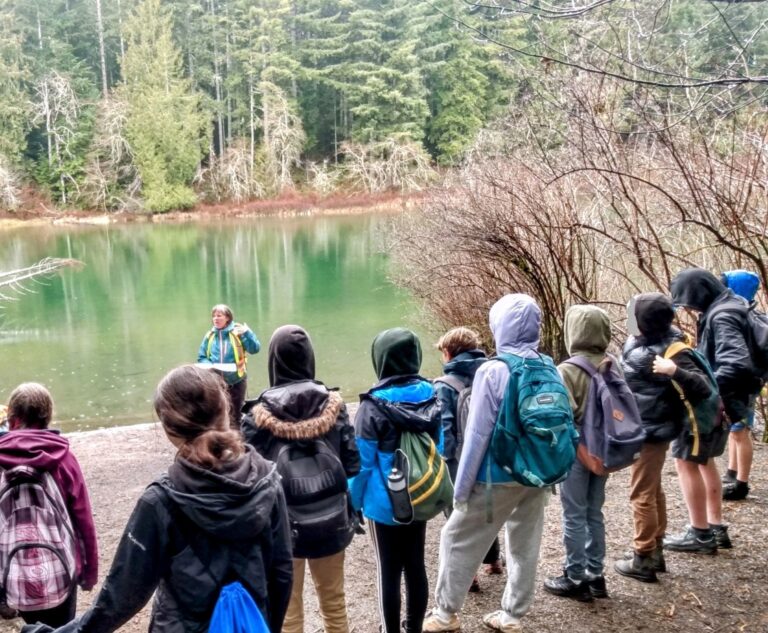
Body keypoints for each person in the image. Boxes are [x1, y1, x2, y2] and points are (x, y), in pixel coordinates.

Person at [22, 365, 293, 633]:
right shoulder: (267, 480)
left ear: (168, 427)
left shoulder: (161, 500)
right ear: (225, 409)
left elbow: (121, 598)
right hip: (252, 623)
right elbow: (281, 573)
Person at [423, 294, 553, 633]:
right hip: (538, 472)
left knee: (455, 537)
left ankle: (445, 614)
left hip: (498, 474)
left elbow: (477, 435)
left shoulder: (494, 370)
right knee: (525, 543)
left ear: (500, 326)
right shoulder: (548, 364)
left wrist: (461, 489)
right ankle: (512, 616)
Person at [242, 325, 360, 633]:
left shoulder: (256, 415)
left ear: (273, 361)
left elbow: (247, 476)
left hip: (281, 526)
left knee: (287, 609)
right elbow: (351, 464)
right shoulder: (334, 405)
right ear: (309, 358)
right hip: (332, 518)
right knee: (334, 602)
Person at [615, 293, 712, 583]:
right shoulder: (642, 341)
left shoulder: (673, 350)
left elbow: (703, 386)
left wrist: (675, 371)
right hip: (642, 427)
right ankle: (655, 550)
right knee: (652, 488)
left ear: (646, 322)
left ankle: (643, 557)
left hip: (652, 431)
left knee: (641, 493)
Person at [348, 328, 440, 633]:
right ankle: (414, 627)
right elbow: (439, 447)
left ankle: (391, 630)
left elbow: (361, 466)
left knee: (388, 569)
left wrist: (354, 503)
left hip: (384, 503)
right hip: (420, 493)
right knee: (416, 563)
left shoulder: (371, 406)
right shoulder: (432, 394)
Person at [0, 383, 98, 627]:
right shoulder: (64, 459)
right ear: (48, 418)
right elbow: (83, 520)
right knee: (64, 627)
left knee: (32, 627)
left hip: (16, 575)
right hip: (62, 571)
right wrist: (89, 572)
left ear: (12, 420)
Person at [671, 268, 761, 502]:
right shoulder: (729, 304)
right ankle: (716, 513)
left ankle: (706, 528)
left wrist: (707, 389)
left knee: (697, 459)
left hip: (728, 393)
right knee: (708, 456)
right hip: (738, 390)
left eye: (688, 302)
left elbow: (735, 363)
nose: (689, 308)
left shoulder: (722, 315)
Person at [543, 305, 613, 602]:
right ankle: (597, 575)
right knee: (594, 512)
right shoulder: (613, 364)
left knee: (574, 514)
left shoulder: (567, 370)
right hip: (606, 447)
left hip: (578, 450)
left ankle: (575, 577)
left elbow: (563, 417)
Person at [434, 327, 500, 594]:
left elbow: (445, 428)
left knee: (458, 515)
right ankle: (494, 560)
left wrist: (444, 459)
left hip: (458, 461)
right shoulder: (491, 374)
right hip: (489, 454)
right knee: (486, 508)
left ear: (449, 353)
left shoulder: (443, 385)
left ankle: (468, 575)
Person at [719, 269, 761, 495]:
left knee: (740, 430)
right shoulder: (745, 313)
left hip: (743, 383)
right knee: (734, 429)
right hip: (742, 381)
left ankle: (741, 483)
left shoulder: (744, 316)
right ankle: (732, 471)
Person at [197, 304, 260, 426]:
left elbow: (255, 349)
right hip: (216, 383)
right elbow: (202, 357)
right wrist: (208, 366)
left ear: (227, 318)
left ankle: (237, 440)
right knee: (218, 413)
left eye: (219, 316)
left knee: (236, 413)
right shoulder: (210, 336)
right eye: (214, 316)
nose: (215, 318)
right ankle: (222, 439)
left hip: (237, 380)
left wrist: (248, 333)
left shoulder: (238, 332)